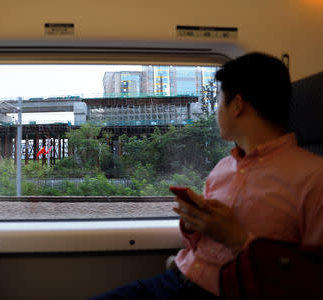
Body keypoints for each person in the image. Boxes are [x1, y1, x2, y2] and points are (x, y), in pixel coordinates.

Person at [87, 52, 323, 300]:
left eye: (220, 101)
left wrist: (238, 239)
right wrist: (194, 224)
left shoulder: (314, 178)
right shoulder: (224, 167)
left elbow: (313, 277)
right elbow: (198, 245)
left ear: (237, 105)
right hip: (176, 278)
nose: (216, 111)